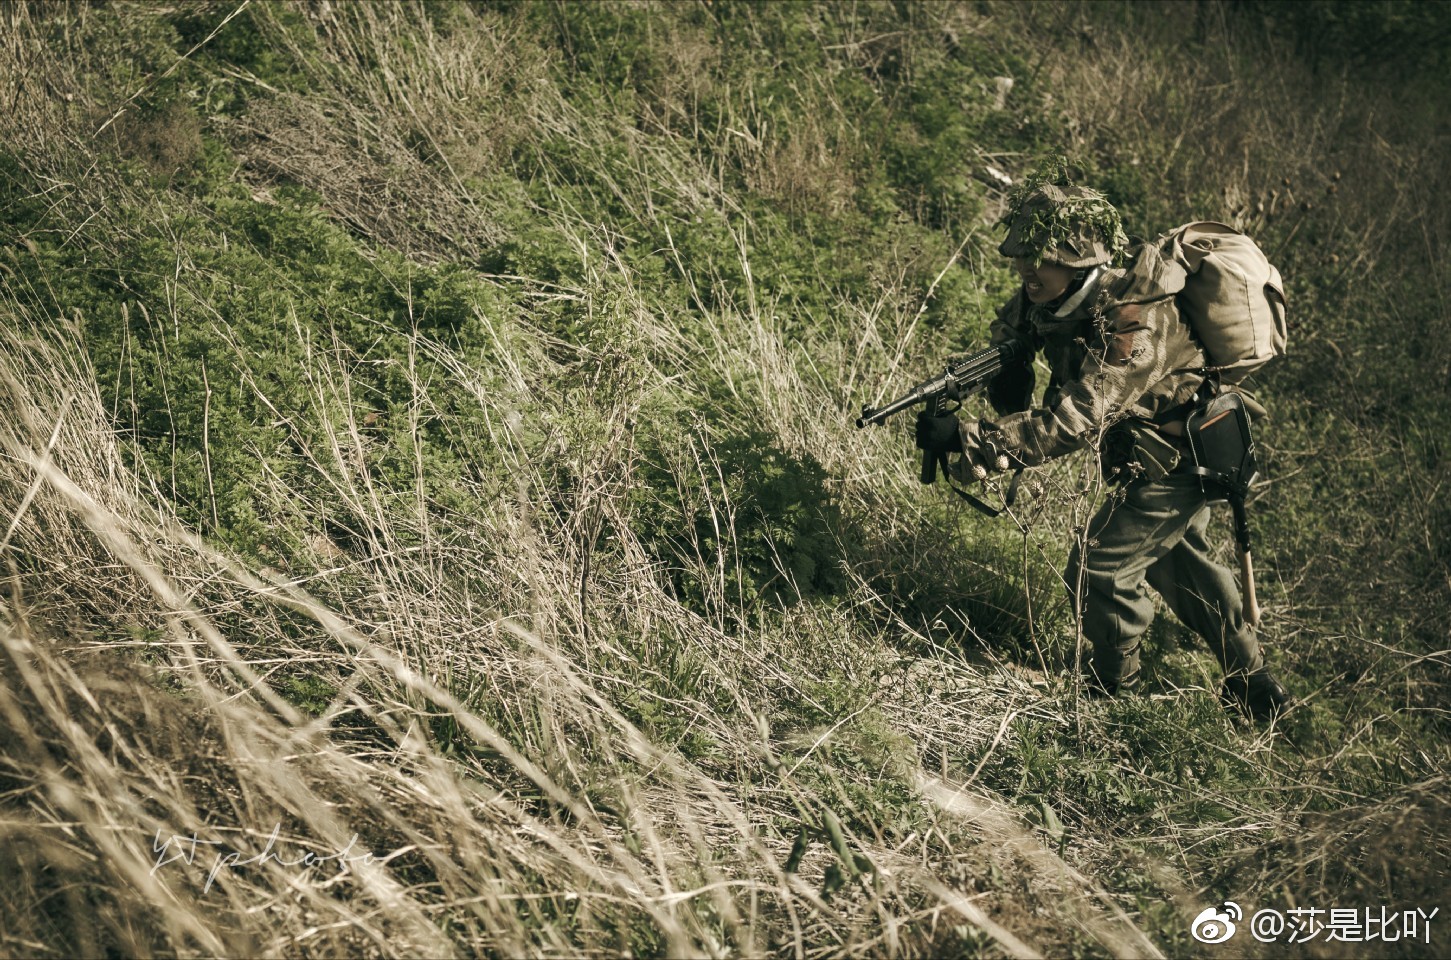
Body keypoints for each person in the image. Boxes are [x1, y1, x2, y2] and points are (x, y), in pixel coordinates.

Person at [915, 168, 1290, 721]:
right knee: (1177, 565)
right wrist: (987, 378)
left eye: (1041, 258)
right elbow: (1008, 346)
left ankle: (1116, 688)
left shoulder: (1134, 322)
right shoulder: (1044, 297)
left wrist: (973, 439)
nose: (1026, 269)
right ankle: (1253, 682)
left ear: (1078, 261)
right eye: (1022, 257)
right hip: (1150, 455)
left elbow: (1079, 417)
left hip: (1182, 460)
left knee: (1100, 567)